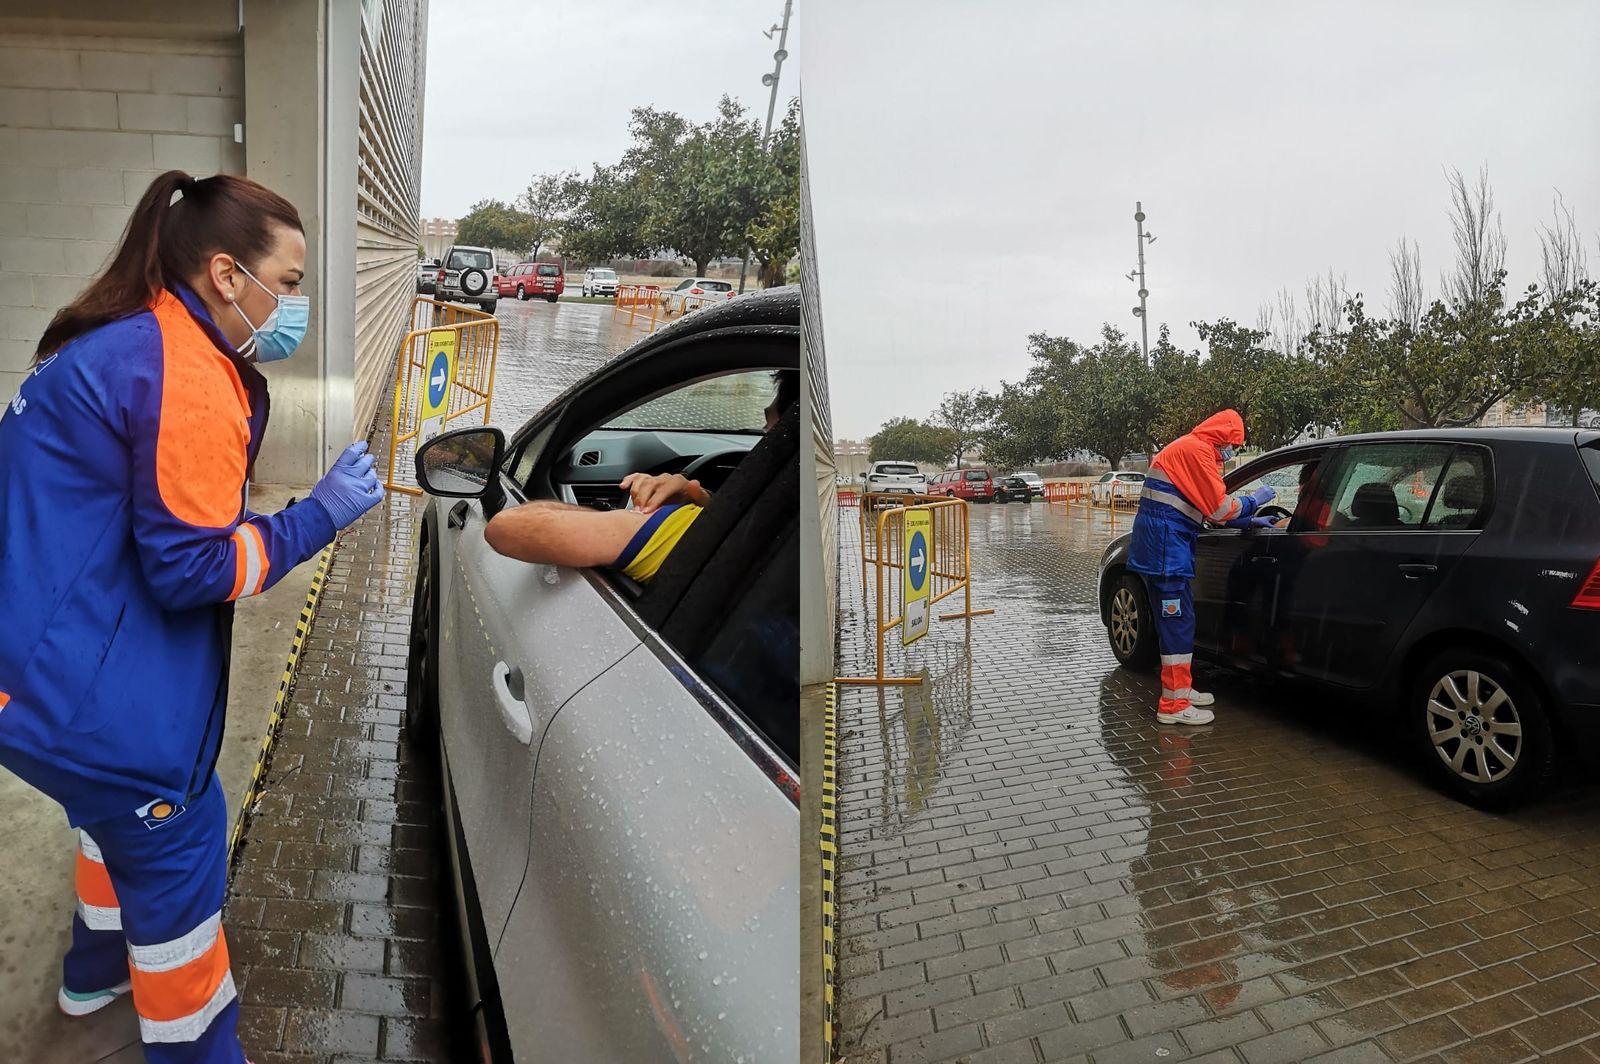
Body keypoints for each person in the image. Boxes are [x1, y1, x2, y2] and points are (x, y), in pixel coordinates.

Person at [0, 171, 385, 1063]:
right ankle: (198, 1045)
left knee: (110, 830)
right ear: (225, 274)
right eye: (286, 283)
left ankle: (91, 978)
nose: (294, 304)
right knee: (177, 862)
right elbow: (191, 568)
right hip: (89, 709)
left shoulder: (112, 341)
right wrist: (317, 514)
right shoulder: (185, 370)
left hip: (33, 683)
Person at [484, 370, 798, 580]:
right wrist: (701, 498)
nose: (762, 448)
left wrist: (629, 518)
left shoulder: (696, 533)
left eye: (768, 431)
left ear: (790, 443)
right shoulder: (786, 545)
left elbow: (504, 529)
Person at [1126, 409, 1274, 725]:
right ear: (1222, 437)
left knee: (1181, 620)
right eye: (1232, 444)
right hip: (1166, 551)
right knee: (1176, 623)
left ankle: (1181, 690)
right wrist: (1253, 502)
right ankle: (1173, 705)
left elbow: (1198, 504)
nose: (1232, 451)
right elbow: (1220, 508)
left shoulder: (1190, 448)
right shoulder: (1197, 451)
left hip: (1165, 548)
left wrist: (1247, 519)